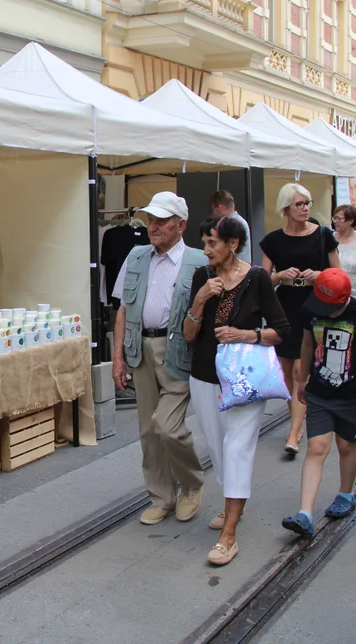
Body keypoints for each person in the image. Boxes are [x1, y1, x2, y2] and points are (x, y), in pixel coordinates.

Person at [183, 215, 289, 565]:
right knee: (218, 447)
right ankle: (233, 505)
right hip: (204, 376)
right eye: (204, 243)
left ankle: (229, 535)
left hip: (243, 380)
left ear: (233, 244)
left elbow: (282, 330)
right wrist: (199, 300)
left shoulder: (257, 278)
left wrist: (244, 335)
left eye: (212, 242)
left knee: (238, 447)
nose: (206, 249)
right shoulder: (203, 276)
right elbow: (188, 334)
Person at [112, 192, 208, 526]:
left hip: (178, 350)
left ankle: (192, 484)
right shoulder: (137, 256)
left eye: (161, 221)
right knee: (148, 431)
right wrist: (117, 357)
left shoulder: (198, 261)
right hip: (141, 349)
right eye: (150, 219)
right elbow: (123, 309)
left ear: (181, 225)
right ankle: (162, 497)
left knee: (167, 427)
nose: (153, 226)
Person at [281, 269, 356, 537]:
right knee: (317, 446)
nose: (324, 311)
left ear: (344, 299)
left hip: (352, 393)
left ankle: (345, 493)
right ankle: (305, 514)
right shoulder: (311, 309)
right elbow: (308, 344)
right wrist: (302, 378)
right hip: (319, 391)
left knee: (345, 444)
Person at [260, 183, 341, 457]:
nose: (306, 208)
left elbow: (338, 276)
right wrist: (280, 277)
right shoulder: (273, 241)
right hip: (284, 306)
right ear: (286, 208)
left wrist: (319, 276)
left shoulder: (323, 235)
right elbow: (263, 280)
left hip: (313, 305)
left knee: (300, 371)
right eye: (299, 204)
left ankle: (294, 432)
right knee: (286, 372)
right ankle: (298, 417)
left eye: (307, 203)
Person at [210, 190, 251, 262]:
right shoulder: (241, 222)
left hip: (235, 270)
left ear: (220, 208)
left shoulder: (231, 225)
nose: (213, 213)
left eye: (213, 209)